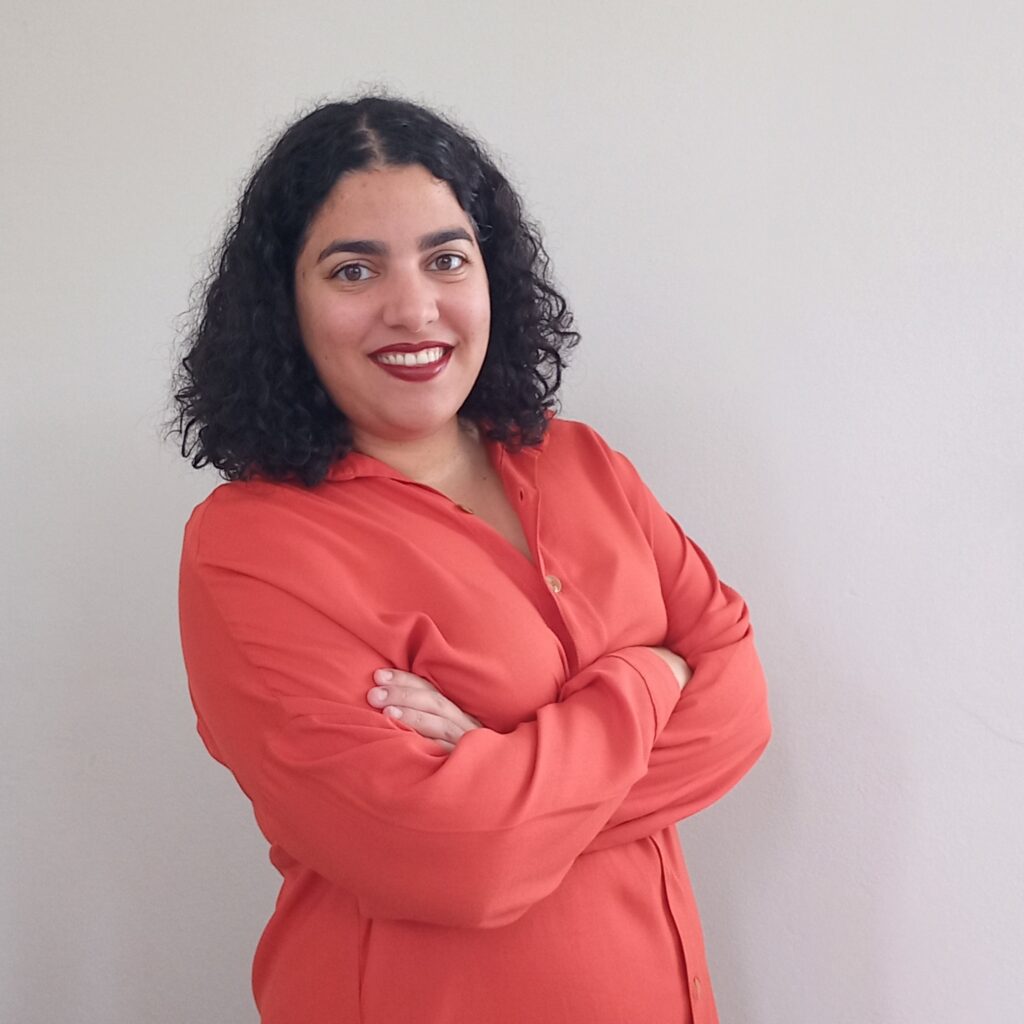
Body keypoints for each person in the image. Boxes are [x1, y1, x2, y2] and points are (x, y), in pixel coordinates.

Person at [173, 95, 771, 1024]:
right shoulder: (249, 549)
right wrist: (653, 675)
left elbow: (741, 713)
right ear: (283, 307)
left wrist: (508, 788)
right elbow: (454, 860)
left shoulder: (583, 463)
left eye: (446, 259)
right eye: (353, 269)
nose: (413, 308)